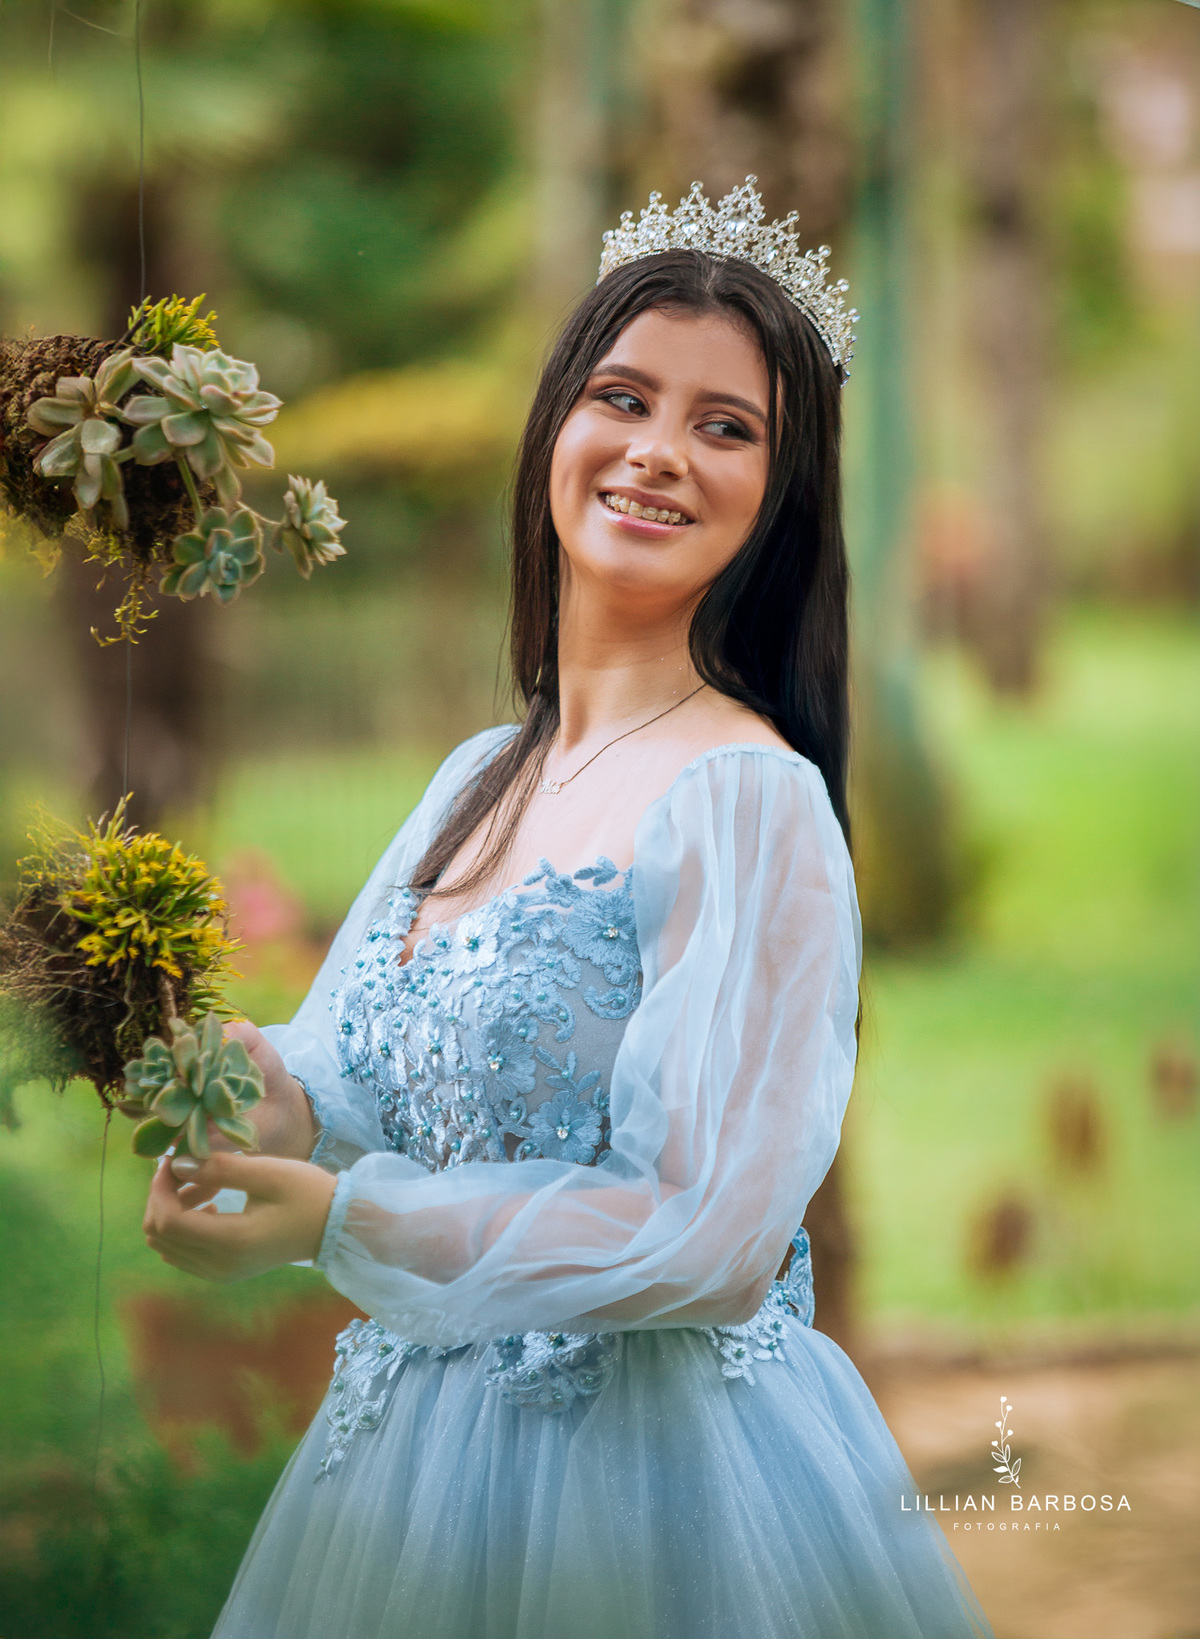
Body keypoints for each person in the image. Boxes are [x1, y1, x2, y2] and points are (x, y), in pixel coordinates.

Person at [143, 181, 994, 1639]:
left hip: (656, 1493)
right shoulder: (483, 773)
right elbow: (343, 1075)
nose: (659, 452)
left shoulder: (747, 800)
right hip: (407, 1468)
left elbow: (708, 1232)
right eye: (624, 396)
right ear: (557, 426)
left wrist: (341, 1223)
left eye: (726, 428)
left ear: (779, 499)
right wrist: (217, 1076)